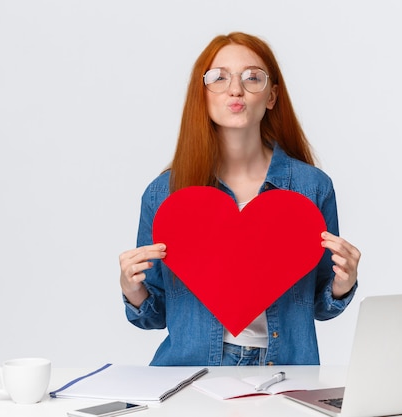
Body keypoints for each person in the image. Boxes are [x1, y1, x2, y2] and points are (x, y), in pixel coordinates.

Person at [119, 32, 361, 366]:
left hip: (285, 372)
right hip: (190, 373)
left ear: (272, 96)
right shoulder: (165, 195)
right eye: (219, 78)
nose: (236, 89)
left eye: (252, 77)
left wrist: (343, 284)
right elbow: (154, 316)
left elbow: (321, 307)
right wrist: (132, 289)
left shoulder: (311, 188)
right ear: (201, 96)